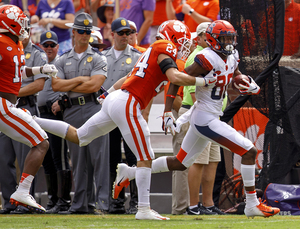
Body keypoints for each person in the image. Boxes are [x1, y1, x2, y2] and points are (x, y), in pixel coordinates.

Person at [33, 19, 216, 220]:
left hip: (118, 99)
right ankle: (143, 209)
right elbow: (174, 77)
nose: (185, 44)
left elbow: (128, 77)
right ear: (173, 37)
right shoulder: (165, 47)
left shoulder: (150, 51)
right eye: (182, 39)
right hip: (128, 102)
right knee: (145, 156)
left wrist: (108, 93)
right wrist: (204, 81)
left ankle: (34, 120)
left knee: (80, 136)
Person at [112, 20, 281, 219]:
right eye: (224, 39)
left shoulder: (232, 55)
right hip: (204, 118)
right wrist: (167, 112)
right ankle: (252, 204)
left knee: (180, 163)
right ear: (213, 40)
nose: (228, 43)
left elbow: (233, 74)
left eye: (230, 38)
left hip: (209, 116)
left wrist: (244, 81)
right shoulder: (206, 58)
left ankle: (130, 173)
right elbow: (176, 80)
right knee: (249, 151)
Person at [0, 4, 58, 214]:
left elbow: (17, 70)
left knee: (40, 142)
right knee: (41, 142)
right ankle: (22, 191)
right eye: (21, 21)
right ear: (11, 22)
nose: (25, 25)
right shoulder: (1, 42)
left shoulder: (15, 44)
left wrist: (40, 69)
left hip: (8, 105)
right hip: (3, 106)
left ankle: (22, 191)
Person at [52, 12, 110, 215]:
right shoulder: (63, 58)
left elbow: (95, 85)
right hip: (72, 110)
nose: (85, 35)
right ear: (73, 32)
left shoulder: (98, 56)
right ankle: (80, 205)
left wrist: (73, 83)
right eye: (81, 31)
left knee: (99, 159)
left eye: (88, 31)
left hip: (94, 109)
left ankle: (102, 203)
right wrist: (80, 80)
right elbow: (56, 84)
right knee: (78, 161)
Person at [101, 17, 141, 214]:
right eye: (121, 33)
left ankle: (135, 201)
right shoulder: (102, 56)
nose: (125, 36)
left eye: (128, 32)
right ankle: (115, 201)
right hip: (109, 114)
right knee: (112, 157)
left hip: (130, 112)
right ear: (113, 34)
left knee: (133, 155)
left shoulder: (137, 56)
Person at [37, 30, 73, 214]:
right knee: (47, 158)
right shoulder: (38, 64)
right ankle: (52, 200)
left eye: (52, 45)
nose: (49, 48)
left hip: (56, 113)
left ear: (58, 47)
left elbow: (69, 85)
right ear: (41, 46)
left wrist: (62, 100)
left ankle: (64, 200)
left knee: (60, 157)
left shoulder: (62, 63)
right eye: (46, 45)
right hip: (40, 114)